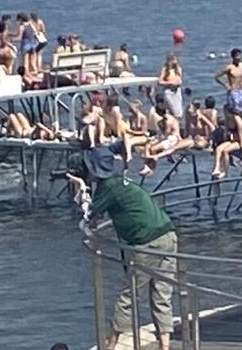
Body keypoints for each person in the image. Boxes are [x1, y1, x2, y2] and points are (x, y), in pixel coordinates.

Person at [66, 141, 177, 350]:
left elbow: (89, 214)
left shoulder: (108, 188)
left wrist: (82, 188)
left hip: (146, 242)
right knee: (162, 293)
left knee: (130, 295)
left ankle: (111, 344)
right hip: (167, 234)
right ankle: (165, 346)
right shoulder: (121, 180)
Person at [214, 48, 242, 115]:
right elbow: (217, 76)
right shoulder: (229, 67)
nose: (239, 57)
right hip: (233, 91)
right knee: (235, 112)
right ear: (233, 57)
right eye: (237, 56)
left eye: (240, 55)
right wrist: (226, 85)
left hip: (241, 91)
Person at [158, 53, 183, 118]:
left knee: (179, 112)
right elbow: (160, 81)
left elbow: (180, 80)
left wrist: (177, 83)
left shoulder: (178, 69)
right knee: (173, 111)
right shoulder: (165, 70)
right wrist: (170, 83)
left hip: (177, 92)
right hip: (168, 91)